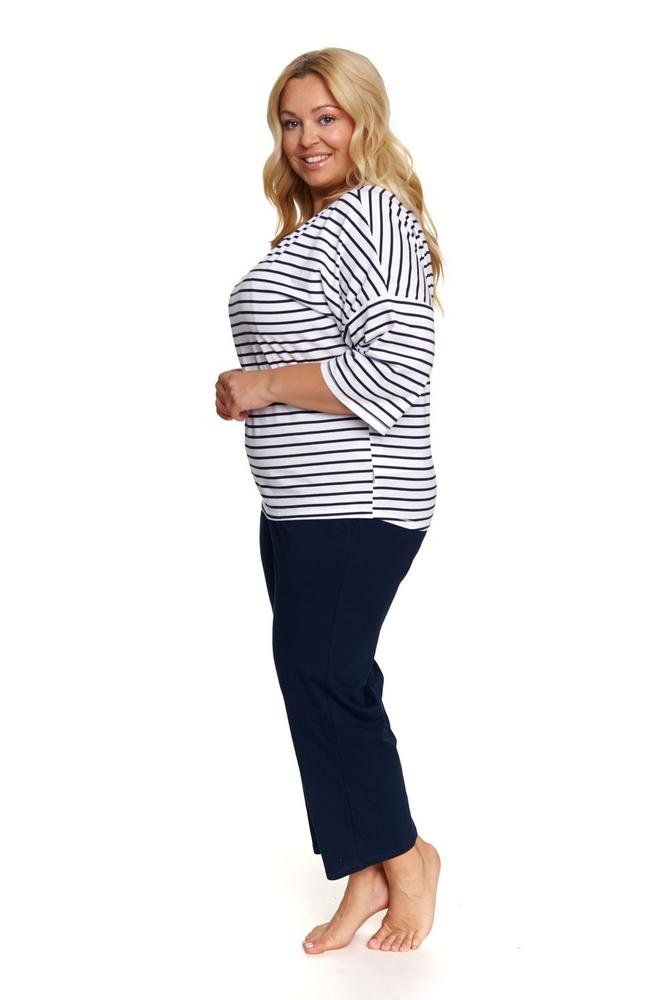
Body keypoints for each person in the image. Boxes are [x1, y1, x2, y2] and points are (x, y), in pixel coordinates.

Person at [215, 47, 444, 955]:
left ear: (362, 123)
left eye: (326, 117)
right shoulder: (317, 226)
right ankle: (364, 869)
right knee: (321, 678)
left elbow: (396, 371)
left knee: (324, 677)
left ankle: (408, 858)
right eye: (291, 121)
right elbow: (317, 351)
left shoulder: (374, 214)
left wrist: (264, 385)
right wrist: (247, 387)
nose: (306, 137)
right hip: (300, 508)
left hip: (359, 501)